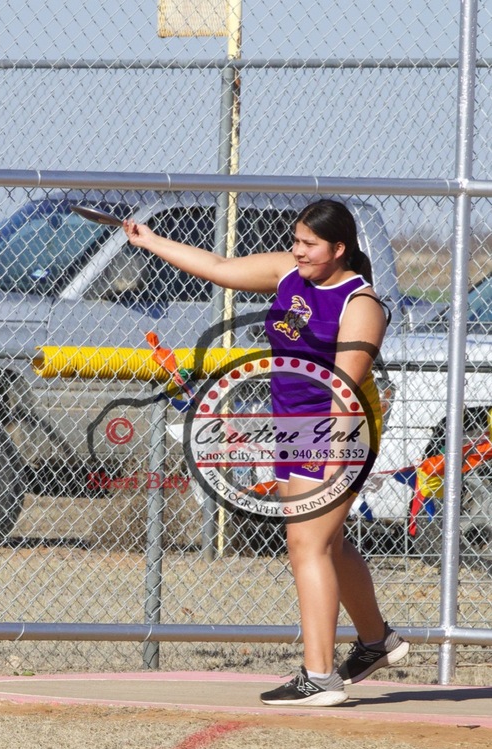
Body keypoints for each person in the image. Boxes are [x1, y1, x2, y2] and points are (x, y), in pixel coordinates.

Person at [123, 198, 409, 707]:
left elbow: (346, 388)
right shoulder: (288, 273)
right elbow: (218, 268)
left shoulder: (359, 303)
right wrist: (149, 241)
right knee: (328, 544)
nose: (296, 250)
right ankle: (375, 642)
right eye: (295, 240)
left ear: (339, 249)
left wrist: (336, 460)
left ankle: (320, 677)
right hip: (290, 424)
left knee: (307, 545)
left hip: (340, 428)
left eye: (308, 244)